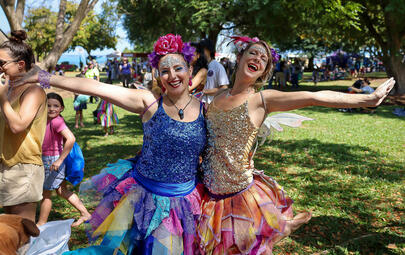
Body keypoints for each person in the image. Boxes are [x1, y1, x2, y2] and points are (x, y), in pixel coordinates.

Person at [196, 36, 395, 254]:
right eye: (253, 53)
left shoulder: (262, 100)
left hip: (241, 199)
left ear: (264, 71)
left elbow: (313, 97)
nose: (258, 59)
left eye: (264, 59)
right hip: (210, 197)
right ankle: (284, 225)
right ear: (240, 56)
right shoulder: (216, 98)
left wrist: (366, 100)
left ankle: (282, 224)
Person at [13, 33, 206, 254]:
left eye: (178, 68)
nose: (172, 75)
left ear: (189, 70)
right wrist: (43, 77)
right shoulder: (149, 103)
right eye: (165, 70)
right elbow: (93, 87)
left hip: (187, 204)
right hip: (146, 201)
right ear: (158, 76)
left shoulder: (206, 110)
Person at [0, 30, 47, 223]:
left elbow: (18, 126)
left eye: (2, 63)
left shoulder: (33, 91)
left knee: (20, 235)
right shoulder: (8, 90)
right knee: (9, 235)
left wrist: (2, 98)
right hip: (6, 165)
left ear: (20, 65)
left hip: (24, 167)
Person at [38, 92, 91, 227]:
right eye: (48, 105)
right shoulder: (46, 119)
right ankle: (85, 214)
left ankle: (41, 224)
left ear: (61, 108)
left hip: (52, 160)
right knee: (62, 190)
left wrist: (60, 160)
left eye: (55, 106)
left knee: (46, 193)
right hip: (49, 159)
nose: (51, 108)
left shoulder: (56, 121)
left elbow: (71, 139)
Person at [200, 38, 229, 104]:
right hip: (201, 104)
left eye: (202, 49)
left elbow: (224, 88)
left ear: (208, 50)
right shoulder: (203, 66)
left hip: (212, 105)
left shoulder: (218, 66)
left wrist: (205, 91)